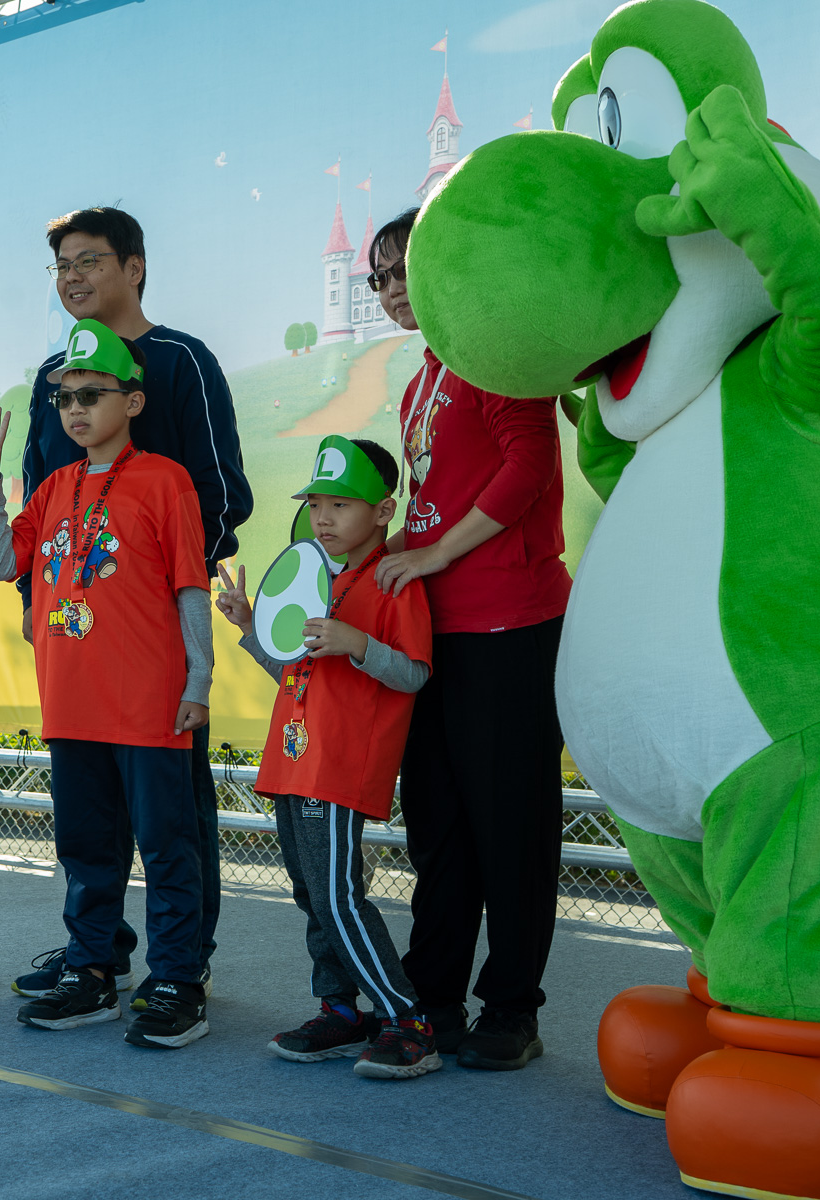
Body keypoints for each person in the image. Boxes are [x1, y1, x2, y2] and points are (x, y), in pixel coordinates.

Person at [12, 206, 252, 1006]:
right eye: (61, 265)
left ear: (134, 267)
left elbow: (224, 493)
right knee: (88, 811)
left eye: (89, 260)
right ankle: (96, 952)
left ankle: (183, 964)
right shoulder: (54, 373)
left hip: (155, 645)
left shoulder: (182, 361)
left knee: (171, 813)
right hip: (76, 642)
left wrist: (153, 596)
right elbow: (38, 503)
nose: (72, 276)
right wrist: (35, 593)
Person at [0, 318, 215, 1049]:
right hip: (71, 705)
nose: (75, 409)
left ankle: (177, 979)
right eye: (65, 398)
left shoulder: (165, 480)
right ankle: (92, 970)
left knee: (167, 847)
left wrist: (199, 679)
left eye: (91, 394)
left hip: (148, 703)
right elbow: (2, 563)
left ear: (132, 402)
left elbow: (190, 587)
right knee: (85, 850)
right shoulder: (53, 487)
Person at [369, 206, 572, 1070]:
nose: (389, 288)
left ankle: (512, 1008)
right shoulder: (423, 377)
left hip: (509, 620)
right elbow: (434, 500)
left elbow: (530, 467)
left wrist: (436, 552)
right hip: (435, 629)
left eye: (403, 269)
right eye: (378, 277)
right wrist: (381, 556)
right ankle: (435, 996)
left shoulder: (495, 349)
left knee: (511, 824)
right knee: (438, 822)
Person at [217, 435, 438, 1079]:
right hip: (292, 762)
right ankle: (340, 1011)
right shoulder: (318, 580)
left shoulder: (394, 580)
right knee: (312, 894)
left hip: (339, 767)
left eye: (341, 504)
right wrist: (250, 627)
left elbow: (414, 674)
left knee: (338, 898)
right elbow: (292, 673)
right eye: (316, 505)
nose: (323, 518)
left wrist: (356, 643)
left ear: (384, 510)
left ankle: (408, 1021)